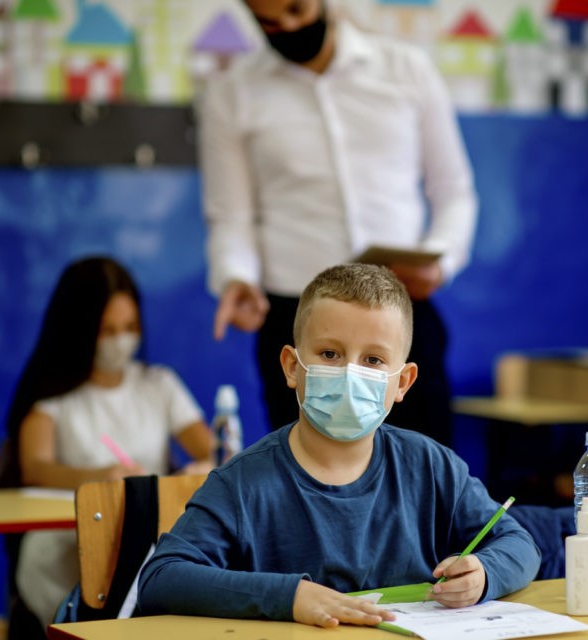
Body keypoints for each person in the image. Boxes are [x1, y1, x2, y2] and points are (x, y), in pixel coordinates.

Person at [138, 264, 539, 628]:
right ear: (293, 367)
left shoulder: (432, 466)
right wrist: (289, 597)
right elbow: (162, 578)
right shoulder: (242, 483)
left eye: (374, 360)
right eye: (330, 354)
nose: (351, 374)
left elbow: (520, 544)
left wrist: (484, 574)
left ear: (403, 382)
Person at [200, 0, 478, 446]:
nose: (289, 26)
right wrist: (236, 276)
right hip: (296, 317)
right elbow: (230, 215)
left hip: (400, 308)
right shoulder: (232, 92)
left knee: (423, 475)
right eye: (270, 20)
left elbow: (454, 192)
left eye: (297, 9)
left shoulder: (407, 70)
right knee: (303, 481)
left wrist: (440, 263)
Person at [0, 256, 216, 635]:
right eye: (107, 330)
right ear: (79, 330)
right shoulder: (53, 399)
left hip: (146, 546)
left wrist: (201, 466)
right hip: (65, 557)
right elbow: (34, 467)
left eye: (130, 327)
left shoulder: (158, 384)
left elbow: (207, 448)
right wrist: (102, 479)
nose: (121, 341)